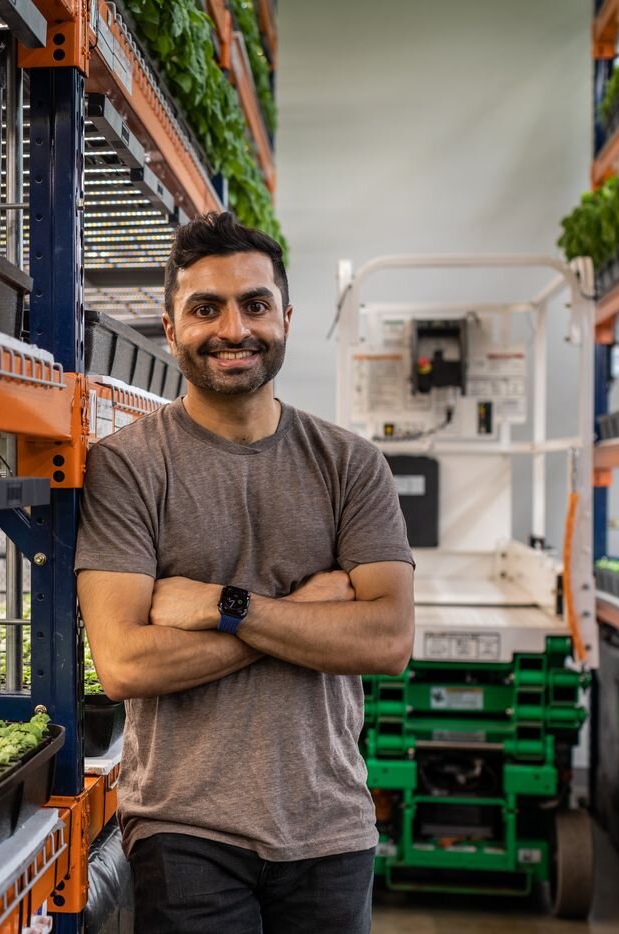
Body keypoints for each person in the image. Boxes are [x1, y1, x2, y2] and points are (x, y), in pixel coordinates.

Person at [75, 212, 415, 933]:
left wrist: (226, 606)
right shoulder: (128, 465)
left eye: (255, 304)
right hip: (183, 827)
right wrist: (309, 609)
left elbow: (386, 640)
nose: (234, 328)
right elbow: (125, 663)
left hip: (330, 823)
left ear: (286, 318)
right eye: (206, 309)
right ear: (170, 329)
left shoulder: (351, 464)